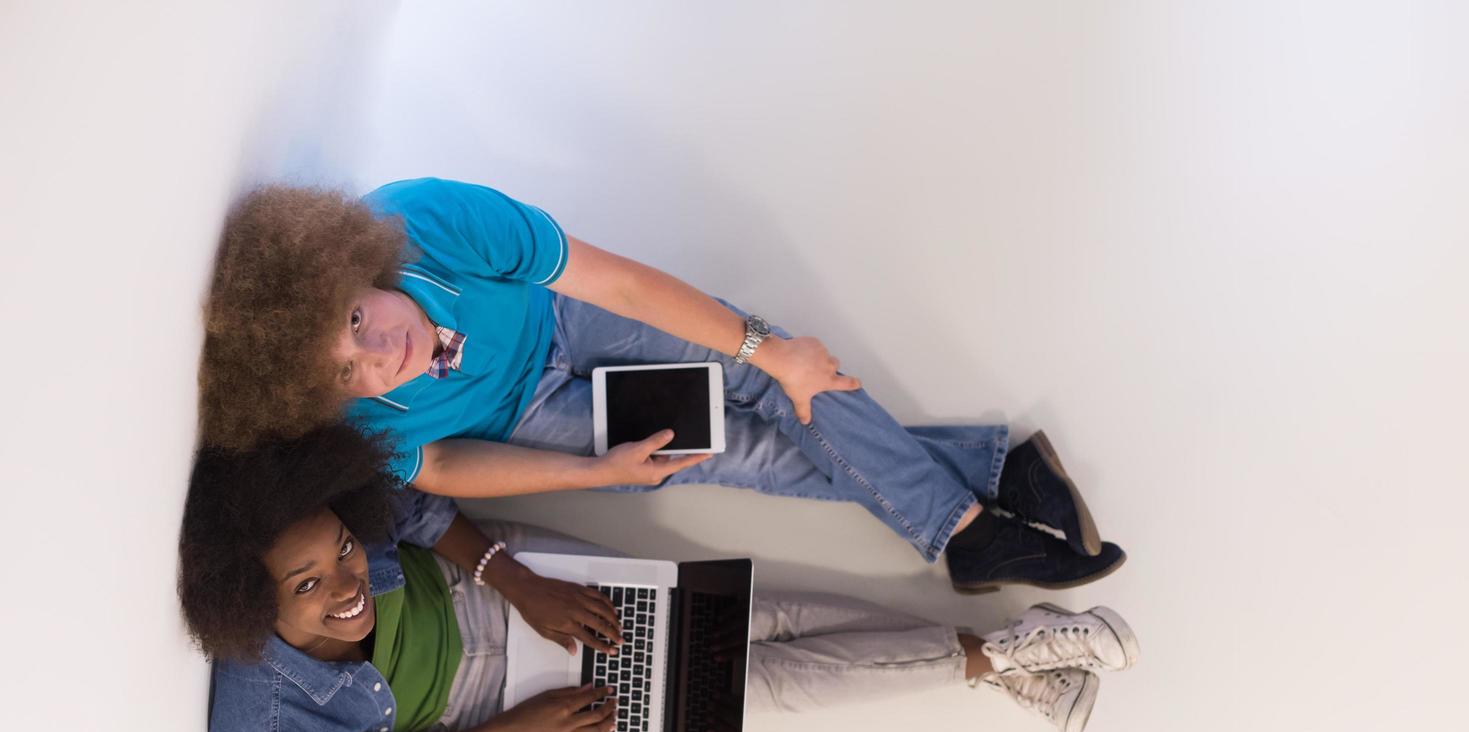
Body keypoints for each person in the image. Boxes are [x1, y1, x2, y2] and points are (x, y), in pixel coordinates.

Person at [199, 177, 1126, 593]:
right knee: (752, 458)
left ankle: (966, 533)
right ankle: (992, 473)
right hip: (537, 418)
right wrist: (597, 475)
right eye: (346, 372)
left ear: (346, 264)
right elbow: (438, 463)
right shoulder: (366, 422)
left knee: (778, 385)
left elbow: (621, 285)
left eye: (356, 321)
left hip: (563, 317)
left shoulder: (424, 219)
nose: (378, 357)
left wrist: (773, 352)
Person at [179, 424, 1140, 732]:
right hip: (494, 702)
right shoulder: (257, 727)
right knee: (757, 689)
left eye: (343, 551)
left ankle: (1011, 658)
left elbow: (421, 512)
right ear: (248, 602)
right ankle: (1007, 659)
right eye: (307, 586)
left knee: (752, 615)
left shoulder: (352, 529)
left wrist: (522, 583)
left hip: (496, 582)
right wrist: (510, 731)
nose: (345, 582)